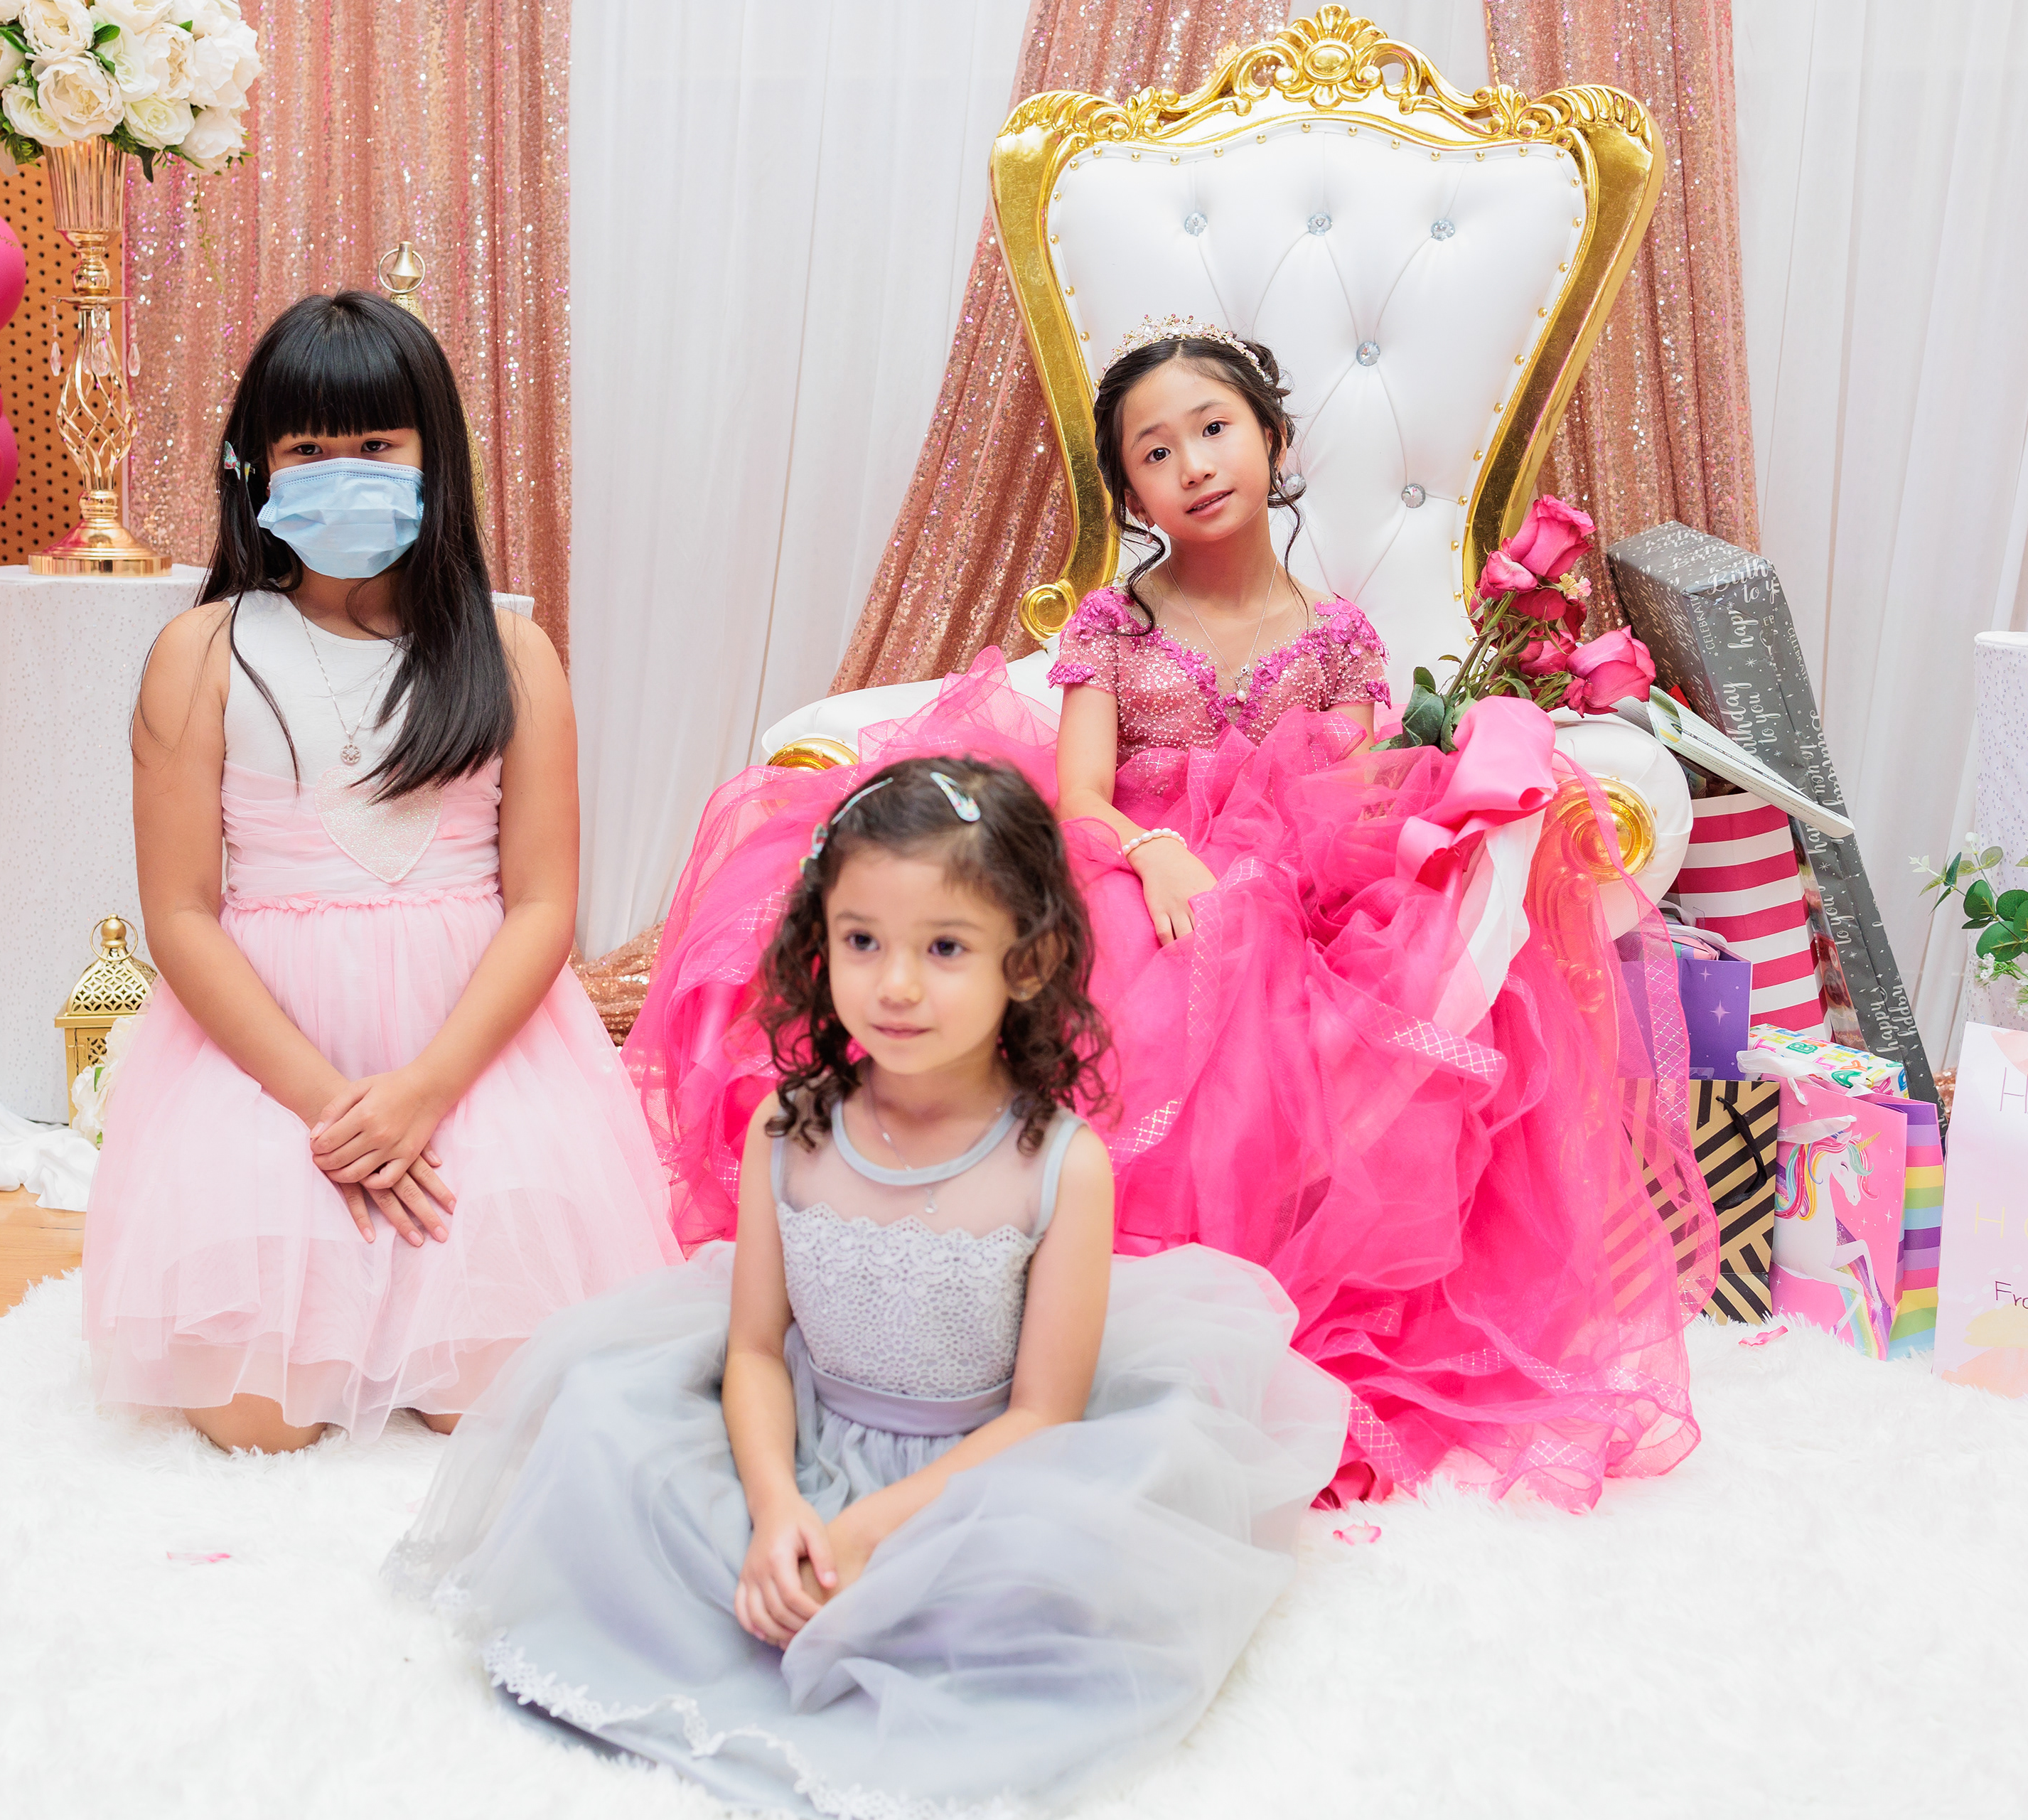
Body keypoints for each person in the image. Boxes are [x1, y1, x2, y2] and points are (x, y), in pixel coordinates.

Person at [626, 323, 1710, 1512]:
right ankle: (1024, 1303)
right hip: (1128, 865)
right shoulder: (1114, 625)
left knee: (1318, 969)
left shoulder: (1338, 635)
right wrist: (1158, 857)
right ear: (1131, 493)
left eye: (1213, 430)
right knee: (1142, 960)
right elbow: (1083, 796)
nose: (1191, 465)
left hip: (1288, 893)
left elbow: (1351, 802)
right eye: (1155, 452)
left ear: (1274, 443)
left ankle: (1230, 1321)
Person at [397, 756, 1347, 1816]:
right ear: (822, 942)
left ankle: (870, 1619)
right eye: (862, 941)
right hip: (796, 1436)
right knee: (602, 1427)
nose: (895, 985)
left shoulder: (1058, 1164)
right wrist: (777, 1509)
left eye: (944, 948)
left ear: (1028, 961)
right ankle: (755, 1581)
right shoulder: (791, 1127)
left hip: (976, 1478)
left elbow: (1040, 1416)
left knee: (1052, 1565)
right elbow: (753, 1350)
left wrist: (867, 1529)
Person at [82, 291, 678, 1452]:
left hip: (471, 1047)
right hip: (271, 1054)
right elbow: (182, 912)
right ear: (255, 468)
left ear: (432, 457)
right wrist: (329, 1107)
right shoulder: (202, 651)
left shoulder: (512, 652)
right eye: (307, 449)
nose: (341, 474)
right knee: (259, 1411)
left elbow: (543, 903)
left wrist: (423, 1094)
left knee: (488, 1390)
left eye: (375, 445)